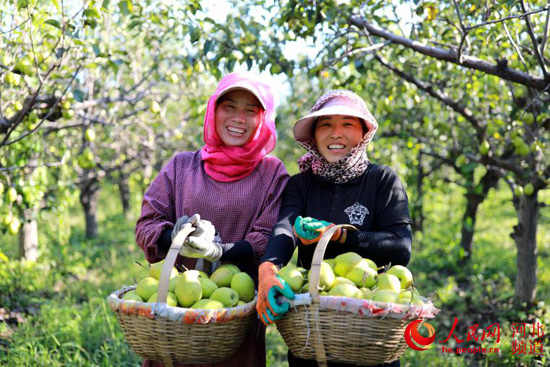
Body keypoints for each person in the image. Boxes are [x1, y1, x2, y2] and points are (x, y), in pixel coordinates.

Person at [135, 71, 289, 367]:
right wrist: (175, 236)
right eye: (229, 106)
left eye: (250, 110)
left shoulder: (272, 174)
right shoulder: (181, 167)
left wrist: (219, 251)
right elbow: (146, 225)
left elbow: (268, 239)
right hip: (175, 315)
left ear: (263, 119)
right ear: (213, 110)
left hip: (235, 318)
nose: (238, 118)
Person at [256, 89, 412, 367]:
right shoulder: (300, 185)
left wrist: (340, 235)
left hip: (371, 331)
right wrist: (268, 269)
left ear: (363, 132)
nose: (336, 133)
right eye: (326, 124)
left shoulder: (382, 180)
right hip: (312, 333)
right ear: (314, 136)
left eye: (347, 124)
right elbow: (284, 229)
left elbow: (400, 247)